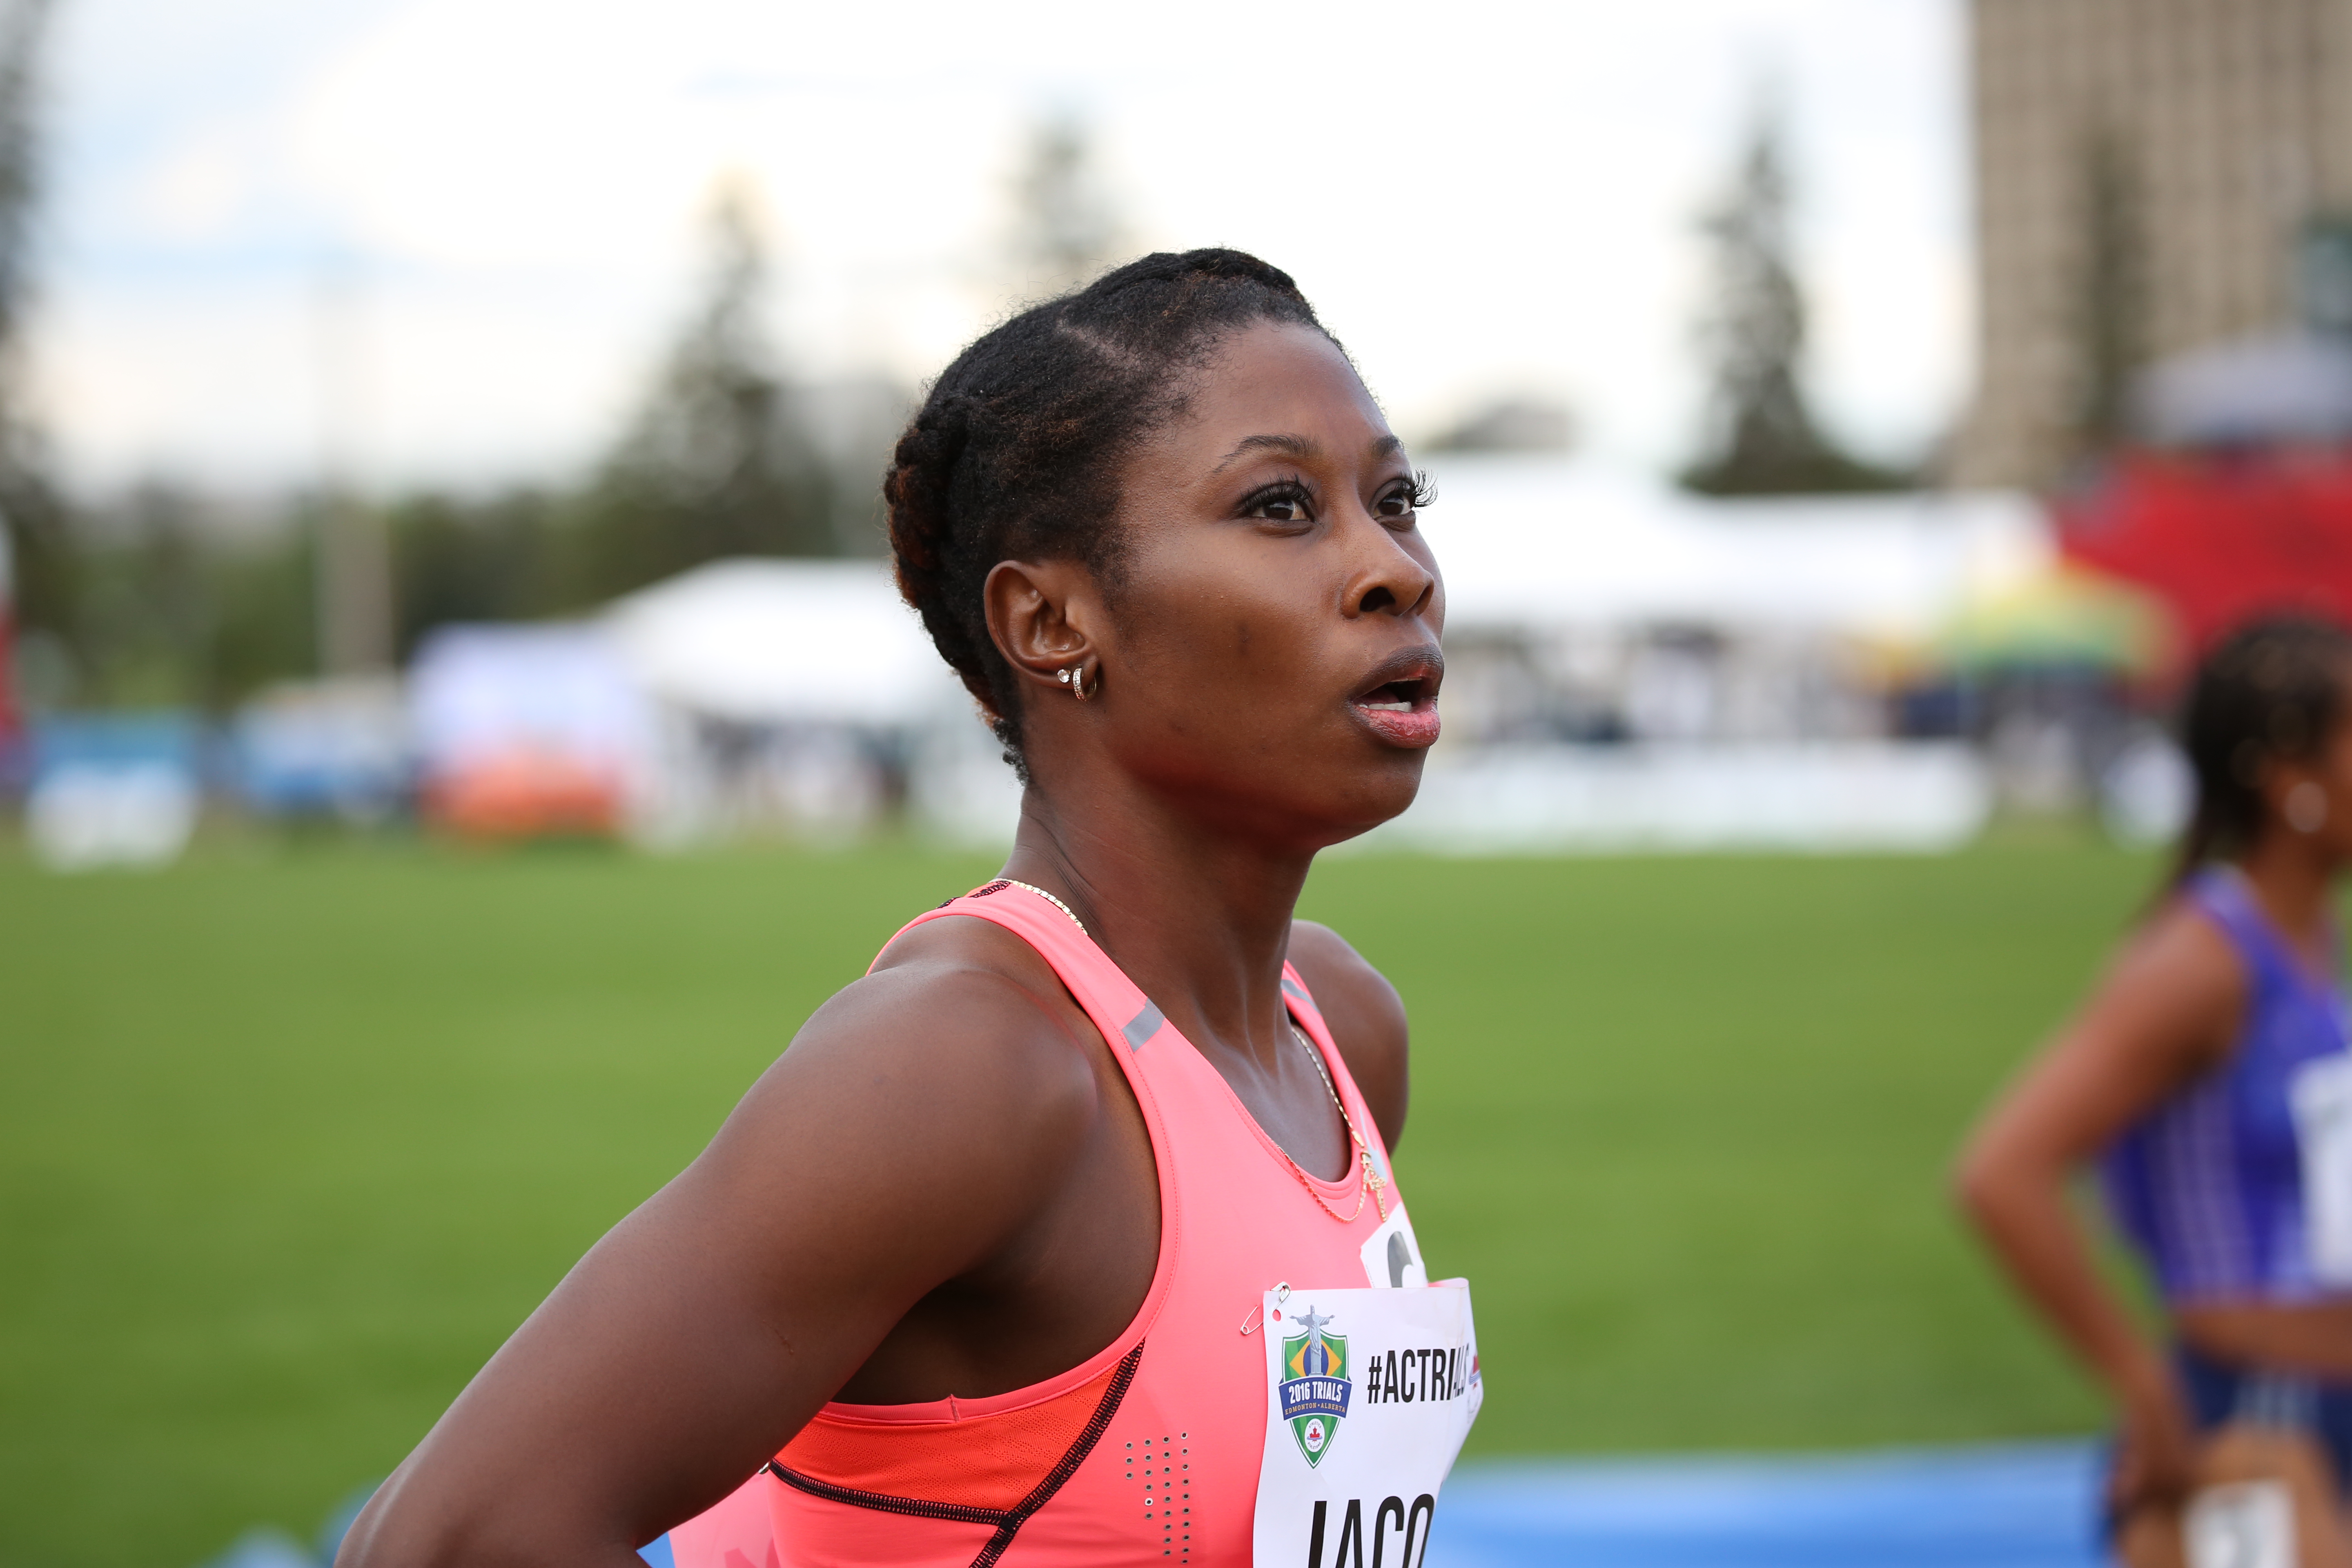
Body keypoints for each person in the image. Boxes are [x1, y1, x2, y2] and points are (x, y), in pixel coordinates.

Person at [338, 249, 1480, 1568]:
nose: (1394, 567)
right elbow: (443, 1543)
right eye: (1282, 507)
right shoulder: (970, 1070)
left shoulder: (1343, 1037)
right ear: (1051, 622)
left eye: (1397, 499)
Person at [1958, 615, 2352, 1567]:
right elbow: (2002, 1174)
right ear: (2290, 779)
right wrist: (2146, 1390)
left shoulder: (2307, 940)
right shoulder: (2201, 962)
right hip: (2251, 1427)